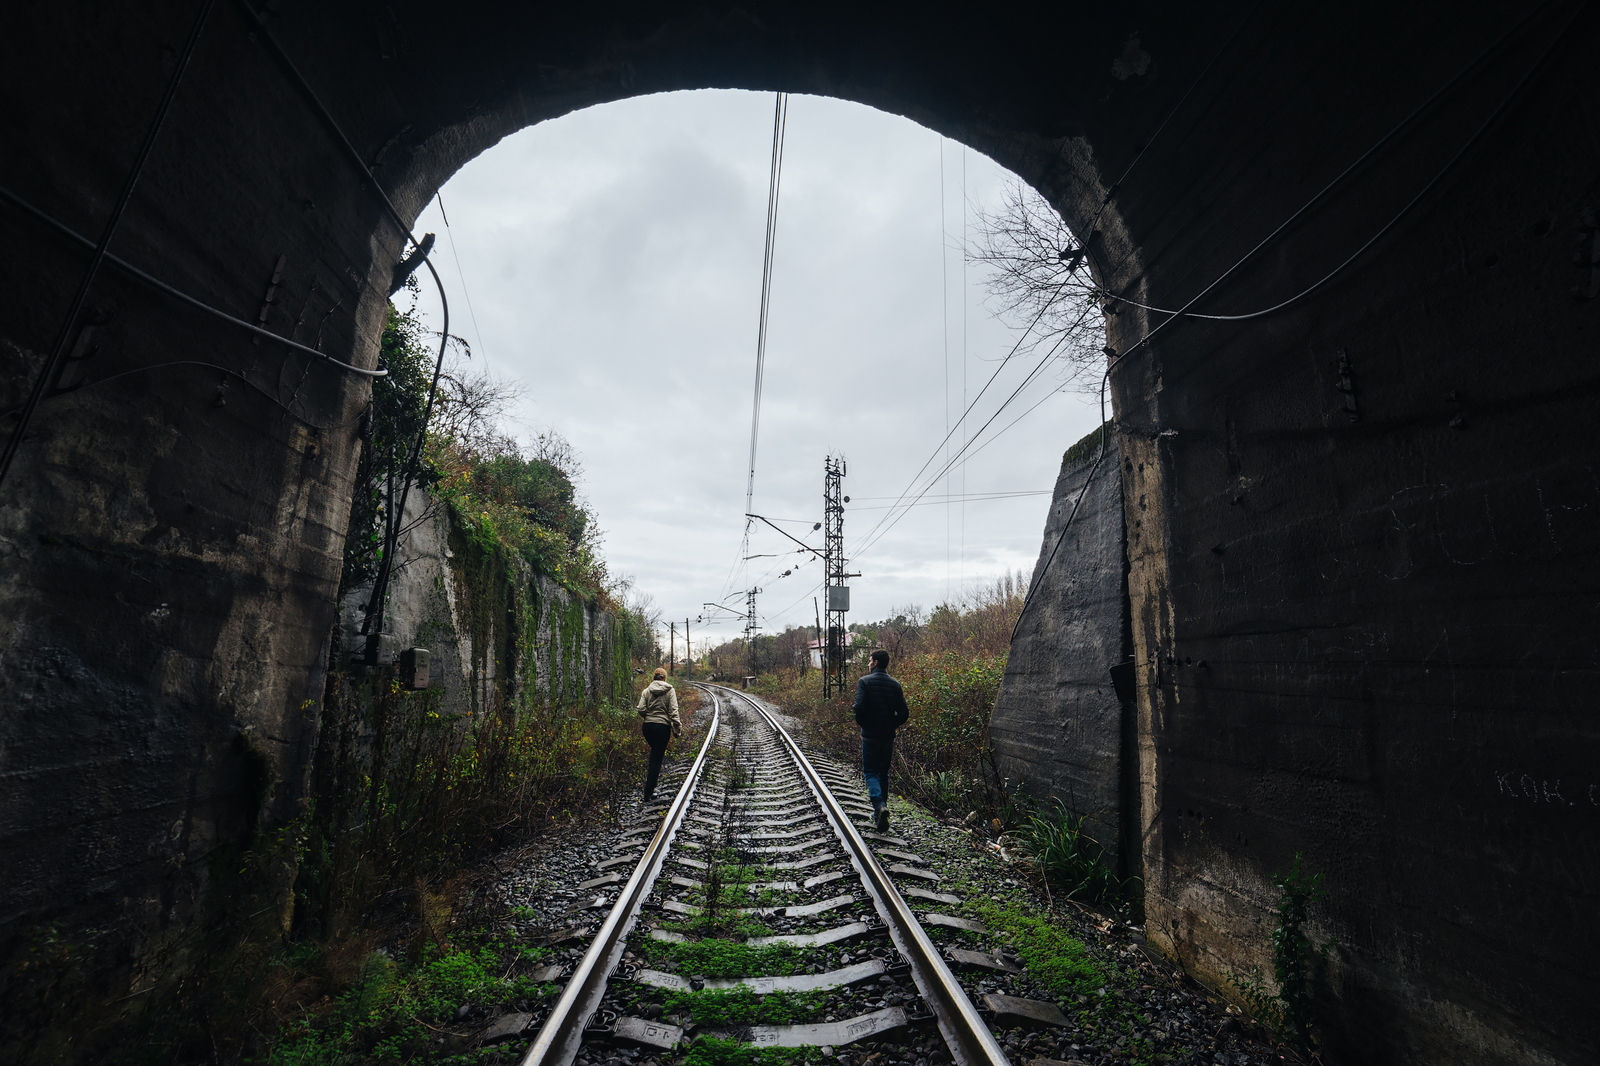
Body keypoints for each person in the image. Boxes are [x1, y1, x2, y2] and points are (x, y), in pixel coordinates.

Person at [852, 649, 909, 831]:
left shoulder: (864, 682)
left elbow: (858, 707)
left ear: (876, 662)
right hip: (887, 736)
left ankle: (878, 805)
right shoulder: (895, 684)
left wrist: (864, 724)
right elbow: (904, 713)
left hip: (870, 736)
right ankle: (880, 813)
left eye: (870, 660)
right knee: (883, 773)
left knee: (870, 772)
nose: (868, 663)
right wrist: (891, 724)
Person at [636, 667, 682, 802]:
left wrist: (648, 716)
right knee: (656, 758)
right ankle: (648, 792)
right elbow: (674, 712)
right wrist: (677, 729)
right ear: (665, 678)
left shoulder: (647, 691)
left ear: (654, 677)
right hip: (662, 728)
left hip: (648, 728)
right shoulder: (670, 690)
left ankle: (650, 787)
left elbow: (640, 709)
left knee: (654, 755)